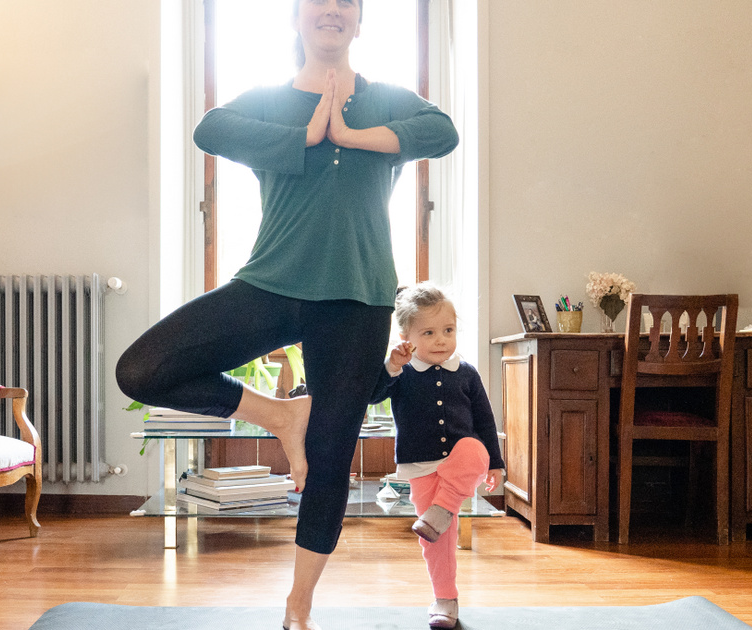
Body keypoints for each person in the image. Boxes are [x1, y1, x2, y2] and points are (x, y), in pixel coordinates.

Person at [115, 1, 458, 628]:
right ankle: (277, 413)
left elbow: (443, 132)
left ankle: (299, 604)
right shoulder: (269, 101)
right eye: (318, 3)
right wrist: (303, 136)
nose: (331, 11)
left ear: (358, 23)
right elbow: (210, 130)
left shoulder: (387, 99)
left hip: (358, 295)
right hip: (271, 281)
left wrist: (352, 137)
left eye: (345, 5)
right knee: (142, 369)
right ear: (299, 19)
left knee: (329, 454)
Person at [370, 283, 504, 630]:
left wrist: (496, 464)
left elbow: (486, 421)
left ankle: (441, 511)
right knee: (437, 541)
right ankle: (445, 599)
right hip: (420, 466)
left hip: (463, 465)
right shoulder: (403, 373)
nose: (441, 340)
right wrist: (392, 366)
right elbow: (373, 395)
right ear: (407, 336)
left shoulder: (467, 373)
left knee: (475, 447)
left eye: (448, 330)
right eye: (428, 333)